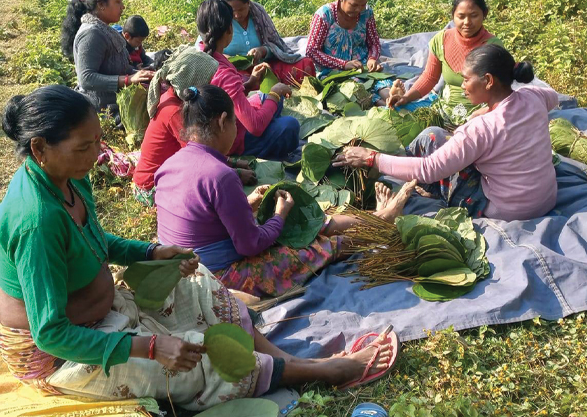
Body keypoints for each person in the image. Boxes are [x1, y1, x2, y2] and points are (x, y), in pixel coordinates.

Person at [0, 85, 396, 407]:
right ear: (40, 149)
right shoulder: (36, 220)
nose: (97, 154)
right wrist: (150, 346)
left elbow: (96, 242)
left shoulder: (71, 178)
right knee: (201, 359)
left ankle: (284, 360)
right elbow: (50, 334)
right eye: (84, 147)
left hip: (102, 311)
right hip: (65, 352)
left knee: (199, 281)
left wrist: (149, 252)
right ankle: (321, 371)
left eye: (98, 141)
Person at [154, 85, 418, 298]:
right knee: (320, 245)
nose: (236, 130)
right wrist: (279, 216)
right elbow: (250, 245)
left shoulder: (169, 165)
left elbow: (202, 216)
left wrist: (249, 203)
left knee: (308, 222)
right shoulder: (220, 175)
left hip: (176, 269)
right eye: (236, 121)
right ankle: (380, 223)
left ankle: (376, 216)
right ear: (223, 121)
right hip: (213, 277)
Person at [335, 45, 557, 221]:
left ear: (488, 81)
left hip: (505, 209)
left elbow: (429, 169)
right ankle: (397, 171)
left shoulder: (481, 129)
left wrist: (371, 157)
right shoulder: (533, 96)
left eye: (467, 79)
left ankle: (391, 178)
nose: (462, 86)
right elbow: (553, 98)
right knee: (439, 136)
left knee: (430, 139)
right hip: (545, 198)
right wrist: (485, 110)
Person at [132, 45, 255, 206]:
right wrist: (237, 173)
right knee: (210, 196)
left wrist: (232, 163)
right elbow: (199, 157)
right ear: (193, 82)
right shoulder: (175, 112)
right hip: (151, 187)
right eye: (207, 80)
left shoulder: (176, 100)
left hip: (165, 174)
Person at [197, 0, 300, 160]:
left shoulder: (198, 59)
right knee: (290, 125)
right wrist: (274, 93)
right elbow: (255, 126)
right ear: (229, 30)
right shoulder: (224, 74)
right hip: (230, 141)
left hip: (210, 132)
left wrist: (250, 84)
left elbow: (222, 98)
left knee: (270, 101)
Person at [386, 0, 503, 122]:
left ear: (485, 14)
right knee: (393, 113)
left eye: (474, 15)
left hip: (479, 117)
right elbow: (429, 77)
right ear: (453, 15)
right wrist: (406, 98)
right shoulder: (441, 40)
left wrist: (482, 114)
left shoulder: (493, 47)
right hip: (442, 110)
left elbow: (502, 91)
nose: (467, 22)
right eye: (461, 16)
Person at [60, 0, 154, 120]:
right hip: (102, 110)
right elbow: (86, 78)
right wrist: (128, 80)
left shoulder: (103, 29)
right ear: (101, 4)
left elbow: (114, 67)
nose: (122, 6)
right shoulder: (91, 34)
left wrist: (139, 74)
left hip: (114, 101)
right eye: (117, 1)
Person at [305, 0, 392, 104]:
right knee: (356, 89)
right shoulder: (324, 15)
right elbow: (311, 51)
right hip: (334, 71)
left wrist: (372, 58)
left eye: (363, 4)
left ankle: (392, 98)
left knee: (383, 85)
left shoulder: (367, 13)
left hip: (362, 65)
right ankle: (378, 103)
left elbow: (374, 42)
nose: (359, 9)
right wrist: (343, 64)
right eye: (354, 5)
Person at [219, 0, 315, 85]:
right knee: (237, 83)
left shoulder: (258, 14)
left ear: (248, 3)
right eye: (233, 11)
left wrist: (262, 51)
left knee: (305, 65)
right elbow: (206, 48)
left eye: (241, 10)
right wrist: (229, 59)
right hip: (235, 72)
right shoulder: (219, 19)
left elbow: (274, 44)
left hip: (265, 67)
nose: (237, 15)